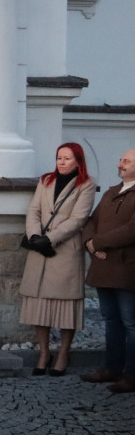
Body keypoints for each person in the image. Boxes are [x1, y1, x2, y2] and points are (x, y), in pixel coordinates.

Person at [19, 143, 96, 376]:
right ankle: (44, 353)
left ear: (78, 161)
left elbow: (78, 219)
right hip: (38, 249)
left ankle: (63, 352)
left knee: (65, 305)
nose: (61, 162)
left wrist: (50, 239)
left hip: (64, 251)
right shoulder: (45, 181)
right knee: (38, 304)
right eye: (59, 158)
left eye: (67, 158)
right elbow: (34, 210)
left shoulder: (86, 185)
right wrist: (34, 236)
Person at [79, 148, 135, 393]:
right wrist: (89, 243)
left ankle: (132, 376)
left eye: (126, 161)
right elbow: (91, 221)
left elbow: (131, 229)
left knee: (130, 324)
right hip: (104, 267)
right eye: (121, 159)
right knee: (111, 321)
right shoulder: (112, 192)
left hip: (126, 269)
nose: (119, 164)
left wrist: (98, 243)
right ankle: (112, 368)